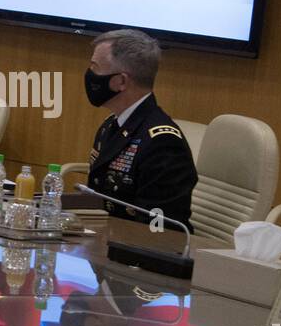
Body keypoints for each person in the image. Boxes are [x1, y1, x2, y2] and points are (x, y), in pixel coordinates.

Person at [84, 28, 197, 230]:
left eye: (95, 68)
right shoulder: (112, 125)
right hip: (104, 240)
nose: (90, 75)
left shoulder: (162, 142)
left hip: (134, 253)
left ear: (121, 81)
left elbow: (158, 229)